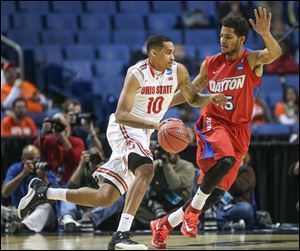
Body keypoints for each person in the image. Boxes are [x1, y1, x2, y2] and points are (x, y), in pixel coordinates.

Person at [17, 34, 227, 250]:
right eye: (168, 52)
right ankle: (121, 235)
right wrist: (156, 125)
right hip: (125, 128)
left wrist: (210, 97)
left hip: (143, 133)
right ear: (153, 53)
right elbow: (121, 114)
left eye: (173, 52)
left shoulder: (178, 71)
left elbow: (191, 98)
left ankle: (44, 192)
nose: (173, 56)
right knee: (146, 170)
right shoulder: (137, 73)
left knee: (105, 197)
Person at [150, 8, 282, 249]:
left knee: (216, 194)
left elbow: (274, 53)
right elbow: (191, 93)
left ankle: (163, 224)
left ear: (242, 39)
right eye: (221, 35)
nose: (223, 40)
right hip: (214, 122)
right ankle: (192, 216)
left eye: (229, 37)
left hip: (240, 130)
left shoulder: (251, 60)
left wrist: (265, 33)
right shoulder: (210, 63)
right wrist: (160, 103)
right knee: (227, 160)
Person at [1, 145, 58, 233]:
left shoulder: (44, 169)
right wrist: (23, 174)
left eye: (37, 158)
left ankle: (20, 226)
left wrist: (43, 178)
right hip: (17, 211)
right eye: (31, 159)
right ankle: (16, 224)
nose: (35, 161)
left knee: (47, 208)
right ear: (23, 159)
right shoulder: (15, 169)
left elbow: (54, 199)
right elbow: (5, 193)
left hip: (39, 212)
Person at [214, 153, 257, 230]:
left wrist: (230, 172)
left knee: (246, 208)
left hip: (237, 205)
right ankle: (230, 225)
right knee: (208, 209)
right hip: (222, 206)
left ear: (243, 156)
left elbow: (239, 188)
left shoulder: (248, 171)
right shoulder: (222, 170)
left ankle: (222, 221)